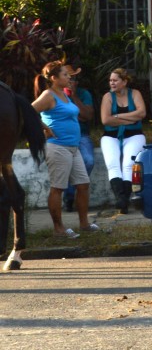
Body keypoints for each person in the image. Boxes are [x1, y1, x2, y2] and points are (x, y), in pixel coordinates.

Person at [30, 60, 100, 238]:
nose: (69, 77)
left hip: (73, 147)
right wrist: (45, 128)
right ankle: (59, 229)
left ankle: (84, 224)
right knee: (58, 188)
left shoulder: (64, 94)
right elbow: (29, 111)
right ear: (54, 78)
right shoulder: (48, 95)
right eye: (65, 74)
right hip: (58, 147)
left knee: (83, 185)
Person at [99, 68, 147, 214]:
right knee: (112, 164)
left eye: (115, 80)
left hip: (134, 134)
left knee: (128, 165)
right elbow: (105, 120)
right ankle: (122, 199)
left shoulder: (135, 94)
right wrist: (131, 118)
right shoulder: (108, 97)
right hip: (111, 136)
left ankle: (122, 201)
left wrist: (117, 116)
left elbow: (142, 113)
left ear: (124, 82)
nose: (112, 83)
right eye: (110, 80)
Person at [61, 64, 95, 212]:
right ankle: (69, 197)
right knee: (67, 163)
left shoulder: (83, 94)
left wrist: (74, 96)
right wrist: (78, 115)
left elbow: (87, 116)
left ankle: (72, 192)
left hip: (82, 135)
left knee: (89, 160)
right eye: (68, 77)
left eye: (73, 78)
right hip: (64, 136)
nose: (71, 81)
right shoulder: (56, 95)